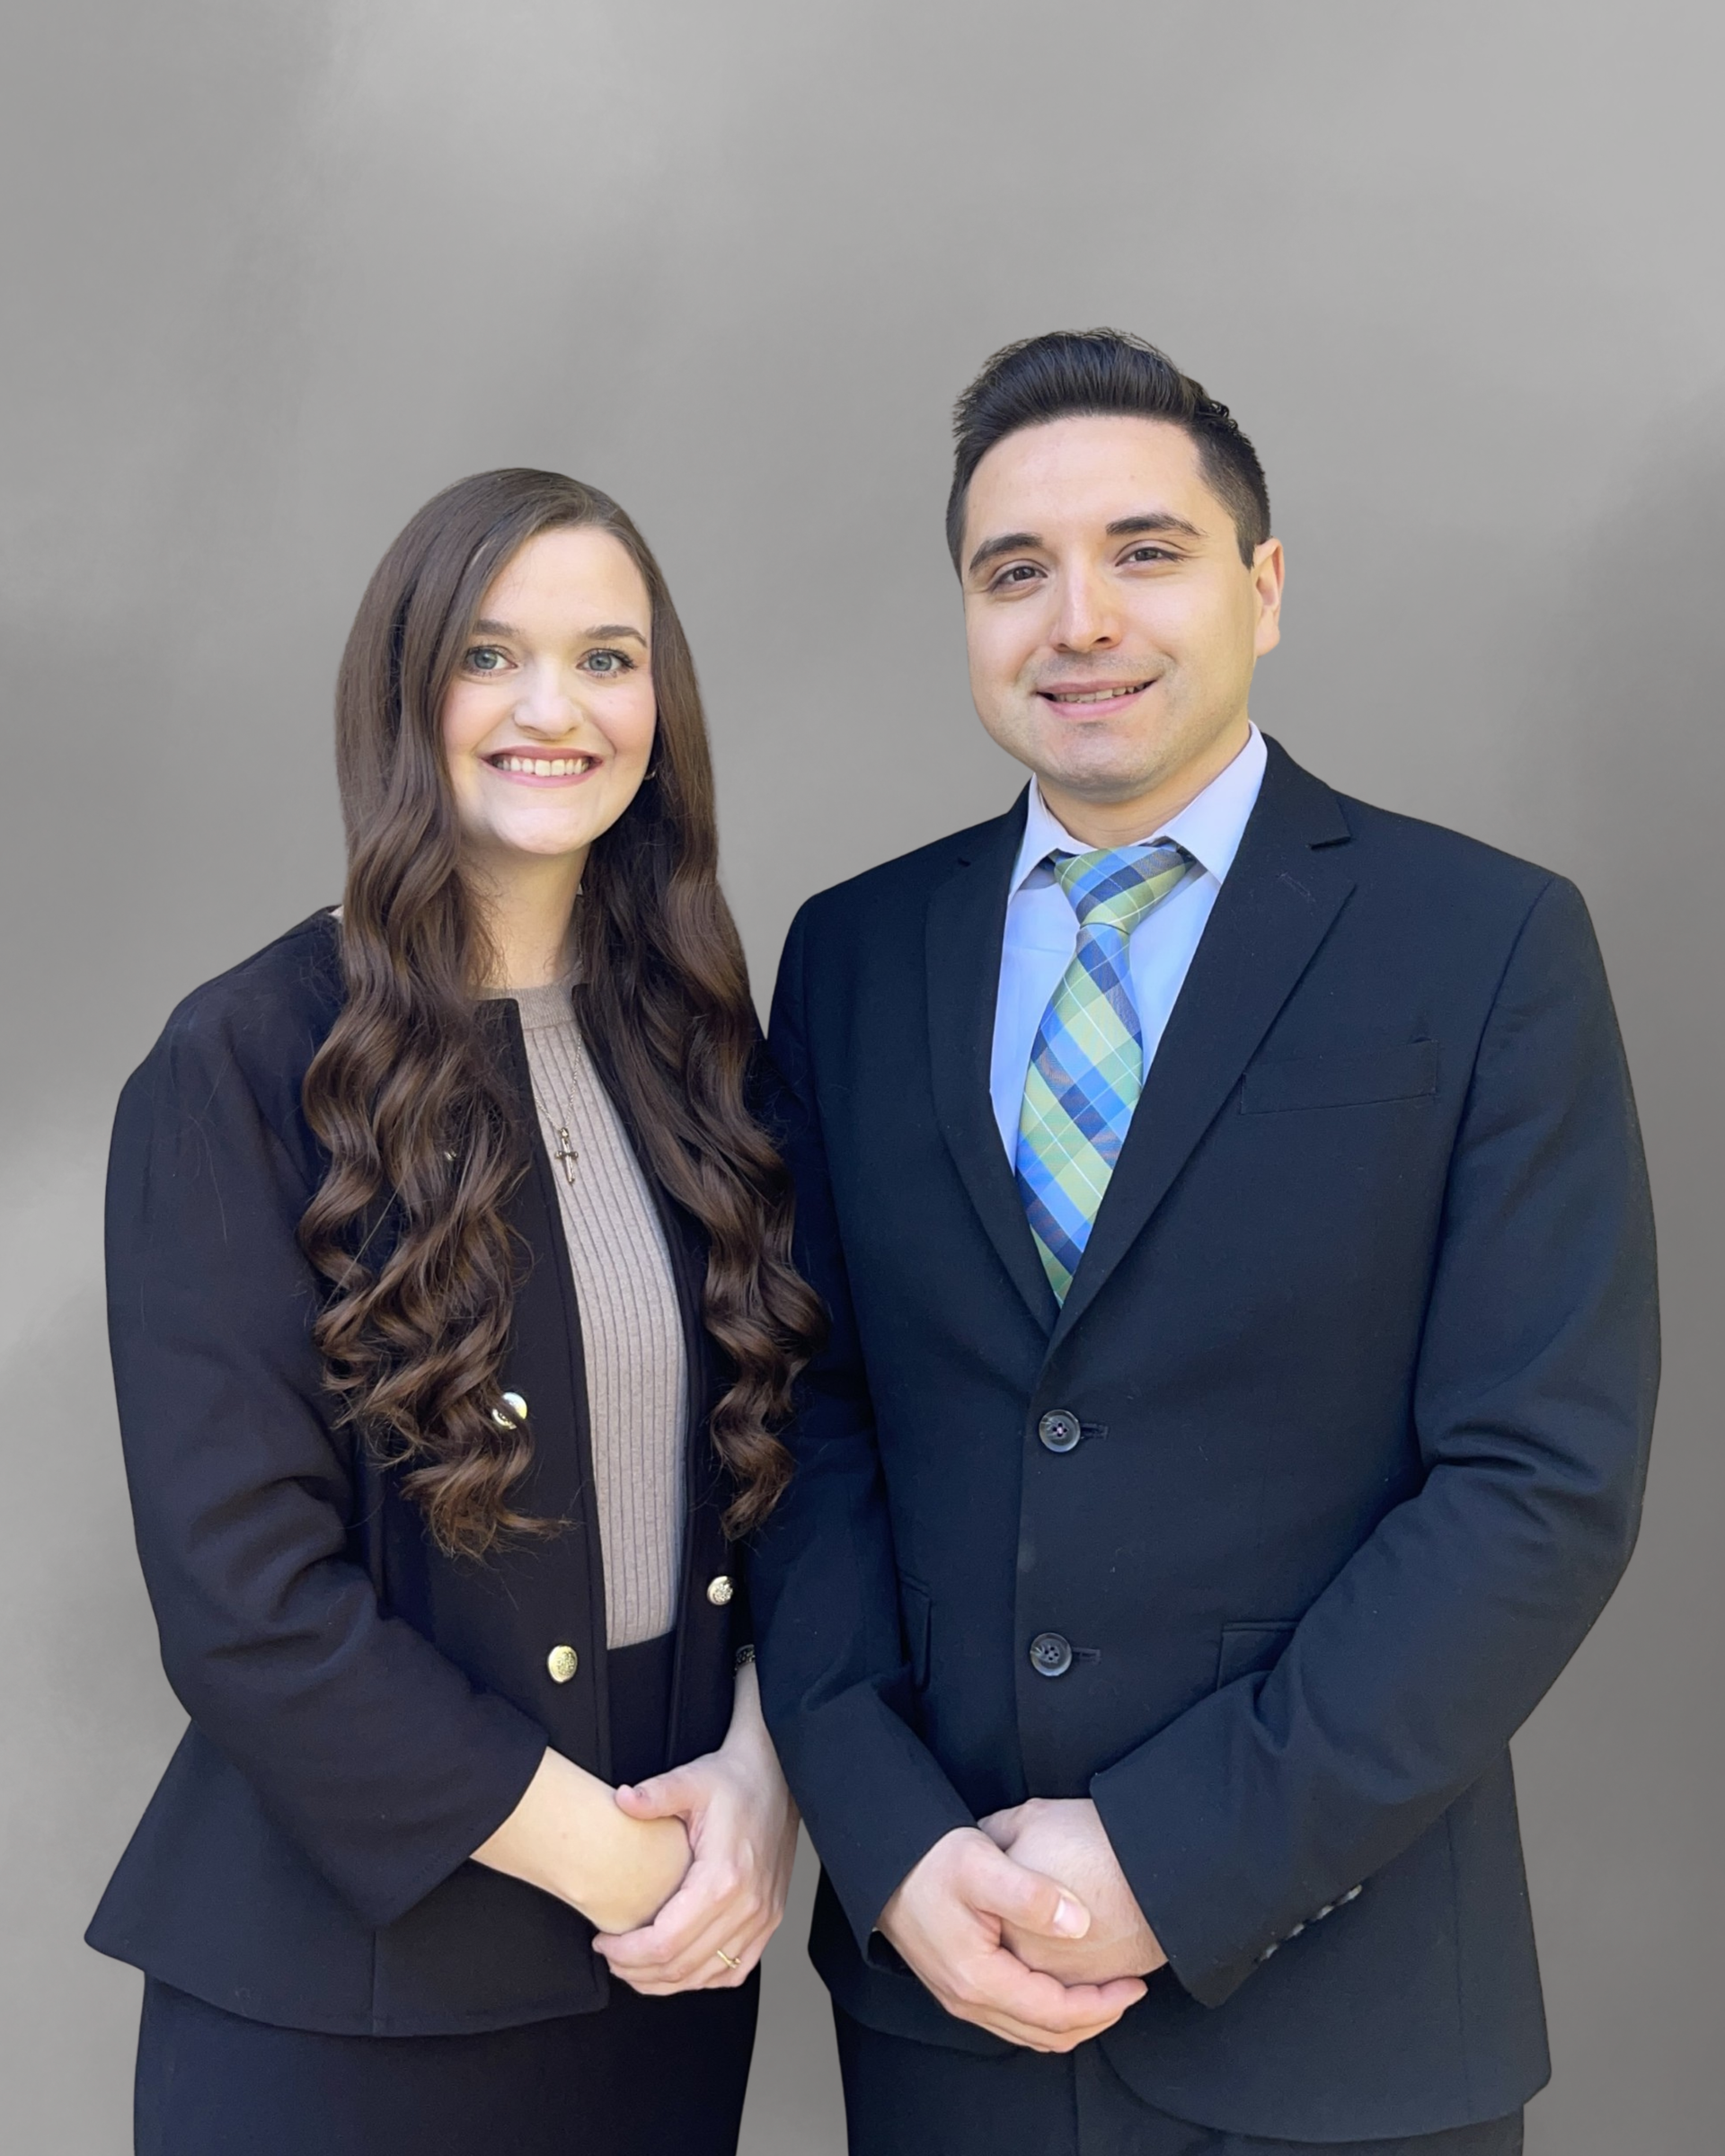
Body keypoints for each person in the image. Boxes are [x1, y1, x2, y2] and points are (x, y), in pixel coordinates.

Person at [751, 331, 1659, 2154]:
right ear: (968, 614)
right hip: (952, 2004)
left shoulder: (1482, 947)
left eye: (1145, 552)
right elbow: (805, 1419)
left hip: (1349, 2019)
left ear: (1262, 587)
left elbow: (1537, 1481)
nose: (1078, 618)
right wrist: (887, 1840)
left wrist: (1180, 1854)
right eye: (1017, 572)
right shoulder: (850, 956)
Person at [88, 468, 824, 2156]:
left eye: (607, 657)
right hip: (347, 2007)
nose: (553, 709)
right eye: (490, 656)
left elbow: (795, 1462)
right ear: (402, 698)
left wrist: (760, 1787)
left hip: (660, 1984)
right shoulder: (241, 1063)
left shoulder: (705, 1050)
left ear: (663, 706)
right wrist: (612, 1858)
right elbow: (246, 1604)